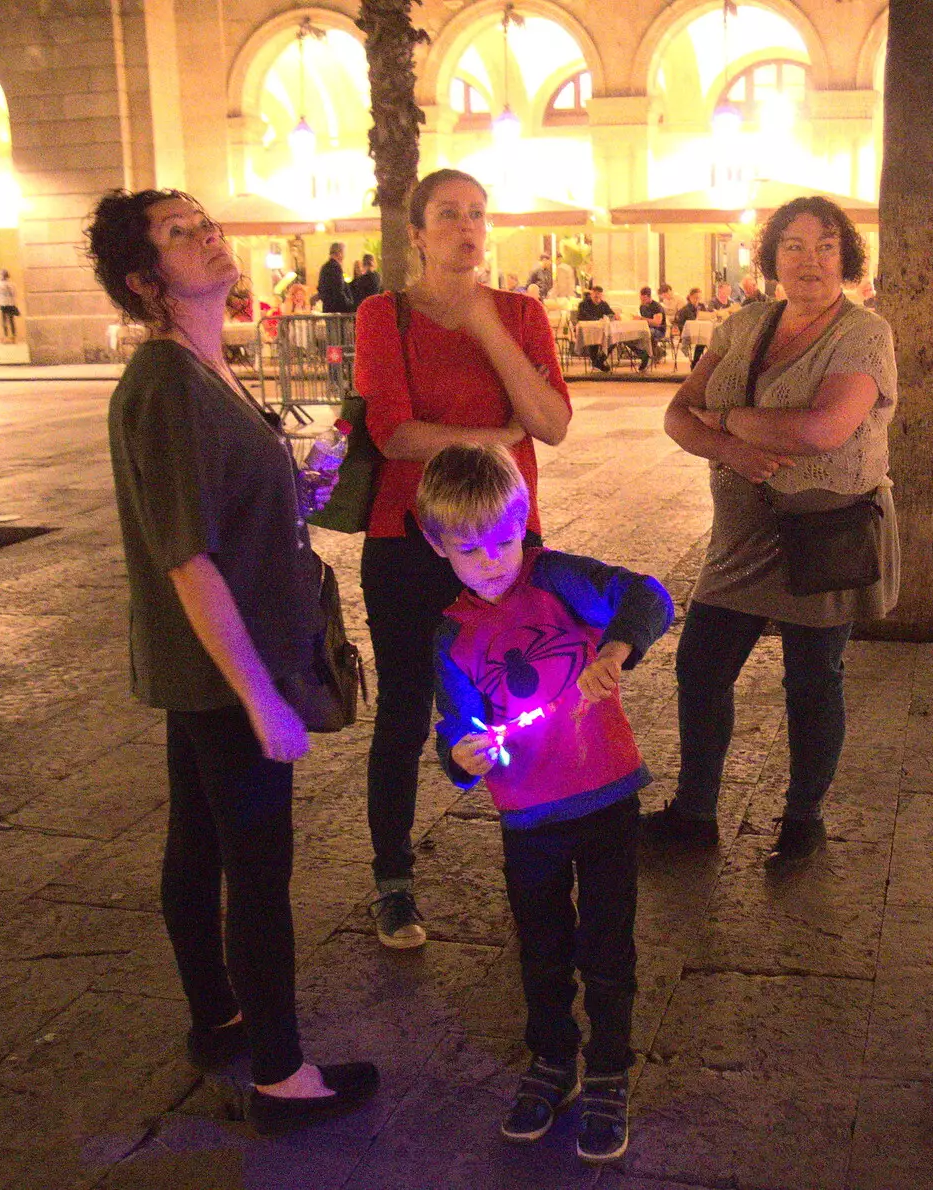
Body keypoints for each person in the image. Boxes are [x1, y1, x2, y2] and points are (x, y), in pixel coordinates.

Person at [87, 188, 378, 1134]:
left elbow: (218, 507)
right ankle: (283, 1077)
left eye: (203, 221)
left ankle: (219, 1017)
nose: (207, 235)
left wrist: (297, 481)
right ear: (144, 281)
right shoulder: (167, 383)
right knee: (257, 867)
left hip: (204, 665)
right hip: (226, 664)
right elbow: (186, 555)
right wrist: (263, 700)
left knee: (200, 842)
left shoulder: (201, 369)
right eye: (179, 234)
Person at [423, 444, 673, 1164]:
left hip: (604, 798)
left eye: (504, 538)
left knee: (606, 942)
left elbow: (650, 596)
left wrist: (615, 652)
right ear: (438, 546)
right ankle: (552, 1059)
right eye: (470, 549)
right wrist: (464, 757)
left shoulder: (560, 578)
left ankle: (609, 1068)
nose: (494, 559)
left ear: (525, 519)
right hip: (527, 817)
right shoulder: (451, 635)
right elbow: (458, 733)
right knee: (540, 946)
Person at [644, 195, 900, 870]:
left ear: (846, 255)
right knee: (700, 667)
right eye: (792, 245)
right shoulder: (742, 326)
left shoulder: (864, 332)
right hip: (739, 534)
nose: (809, 260)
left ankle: (803, 820)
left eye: (824, 246)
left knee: (813, 677)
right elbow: (677, 414)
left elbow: (823, 430)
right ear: (770, 256)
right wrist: (731, 448)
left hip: (825, 531)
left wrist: (724, 420)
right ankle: (694, 812)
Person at [352, 168, 572, 948]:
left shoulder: (519, 313)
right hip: (408, 541)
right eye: (447, 215)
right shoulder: (386, 315)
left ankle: (542, 873)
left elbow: (549, 422)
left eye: (477, 213)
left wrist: (488, 329)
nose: (465, 227)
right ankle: (393, 880)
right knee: (408, 712)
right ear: (416, 233)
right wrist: (493, 438)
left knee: (525, 703)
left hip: (508, 543)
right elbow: (394, 434)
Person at [576, 285, 650, 372]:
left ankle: (598, 362)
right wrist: (598, 319)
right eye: (595, 295)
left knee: (615, 338)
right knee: (596, 339)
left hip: (605, 330)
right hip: (590, 330)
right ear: (591, 294)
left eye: (599, 295)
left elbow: (611, 314)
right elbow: (582, 316)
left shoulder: (604, 304)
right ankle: (597, 362)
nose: (597, 297)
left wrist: (615, 316)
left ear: (601, 295)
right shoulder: (583, 304)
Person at [316, 243, 354, 314]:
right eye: (343, 253)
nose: (344, 256)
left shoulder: (324, 267)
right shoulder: (336, 267)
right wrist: (349, 305)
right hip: (337, 310)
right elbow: (339, 290)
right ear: (339, 253)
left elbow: (320, 288)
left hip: (327, 308)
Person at [675, 287, 707, 367]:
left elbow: (706, 317)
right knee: (702, 339)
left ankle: (696, 362)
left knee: (704, 338)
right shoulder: (685, 309)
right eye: (695, 298)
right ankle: (695, 362)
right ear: (690, 297)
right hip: (688, 333)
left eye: (699, 298)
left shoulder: (702, 306)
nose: (697, 300)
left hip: (700, 331)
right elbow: (681, 324)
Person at [639, 285, 667, 362]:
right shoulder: (642, 306)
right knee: (638, 334)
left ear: (648, 297)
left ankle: (651, 354)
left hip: (659, 330)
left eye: (643, 299)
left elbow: (657, 323)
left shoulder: (657, 307)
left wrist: (641, 319)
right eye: (641, 299)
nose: (642, 301)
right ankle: (650, 354)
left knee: (646, 333)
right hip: (647, 328)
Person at [0, 268, 19, 343]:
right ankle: (11, 337)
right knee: (10, 320)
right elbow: (13, 294)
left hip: (4, 303)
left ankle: (8, 337)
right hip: (9, 303)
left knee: (6, 320)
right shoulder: (11, 284)